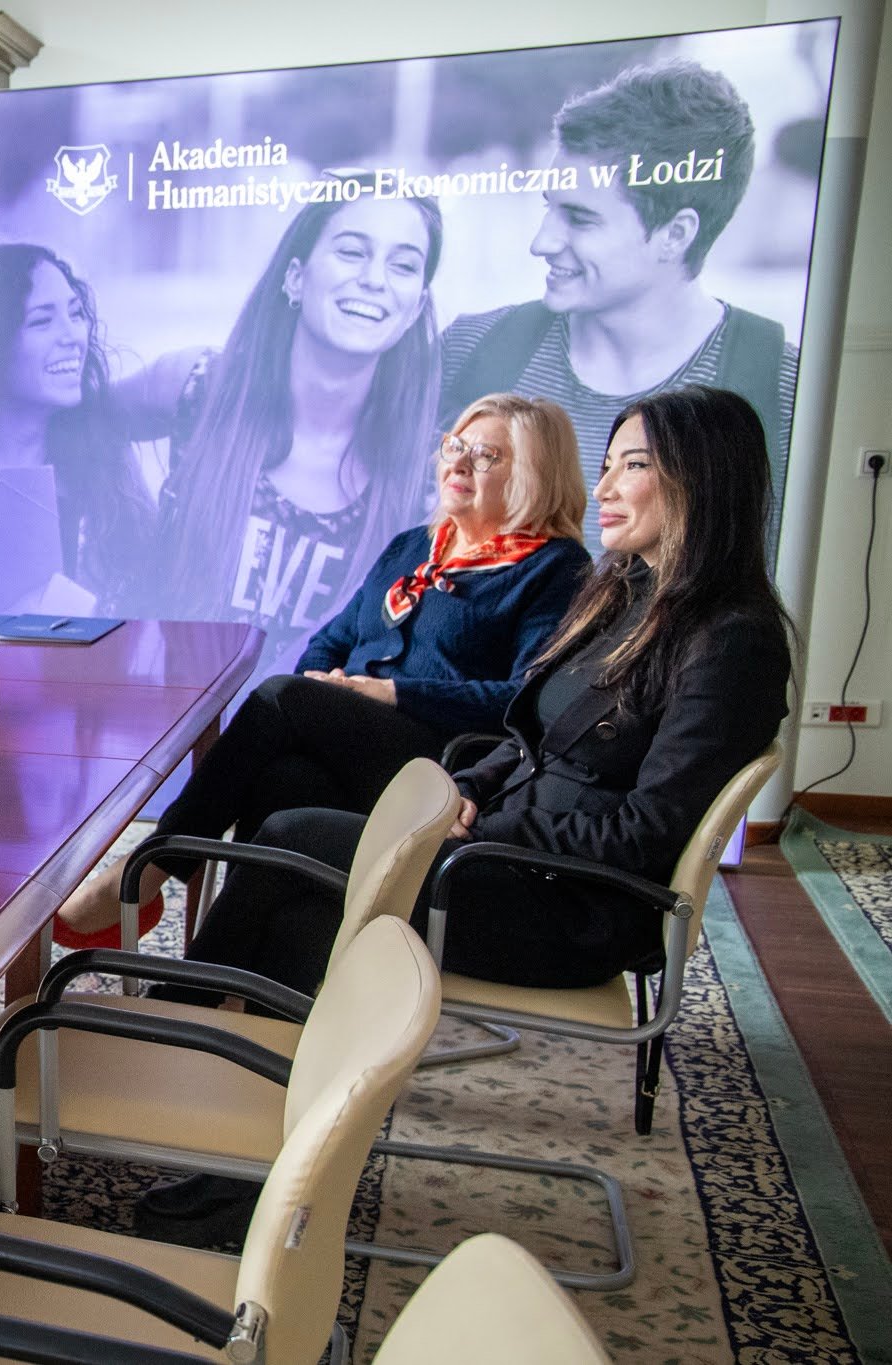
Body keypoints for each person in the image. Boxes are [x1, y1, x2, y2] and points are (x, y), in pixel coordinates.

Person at [142, 383, 791, 1228]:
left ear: (701, 478)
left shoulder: (734, 642)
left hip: (573, 902)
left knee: (292, 839)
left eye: (631, 466)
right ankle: (246, 1141)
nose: (602, 488)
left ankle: (165, 1044)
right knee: (299, 890)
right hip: (510, 859)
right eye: (605, 465)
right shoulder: (631, 594)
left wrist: (489, 824)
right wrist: (472, 788)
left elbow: (649, 832)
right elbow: (527, 733)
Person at [54, 393, 591, 947]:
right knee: (285, 781)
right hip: (355, 743)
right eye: (455, 446)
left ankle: (145, 872)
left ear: (535, 475)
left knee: (281, 698)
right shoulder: (414, 546)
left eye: (486, 456)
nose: (458, 463)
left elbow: (526, 698)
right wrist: (326, 687)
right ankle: (224, 973)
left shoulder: (556, 568)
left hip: (441, 759)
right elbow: (330, 641)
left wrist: (390, 693)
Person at [440, 59, 796, 557]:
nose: (542, 242)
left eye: (581, 219)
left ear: (675, 234)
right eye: (549, 207)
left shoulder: (781, 387)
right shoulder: (473, 349)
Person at [135, 187, 445, 676]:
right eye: (351, 252)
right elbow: (67, 420)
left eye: (403, 265)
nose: (374, 280)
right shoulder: (199, 388)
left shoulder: (433, 481)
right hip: (169, 715)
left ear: (415, 307)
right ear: (296, 278)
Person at [0, 244, 156, 615]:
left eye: (76, 314)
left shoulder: (106, 457)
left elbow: (152, 594)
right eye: (41, 321)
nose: (73, 336)